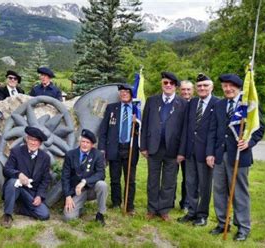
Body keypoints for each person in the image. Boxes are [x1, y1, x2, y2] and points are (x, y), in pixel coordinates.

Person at [206, 73, 265, 241]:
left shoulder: (247, 104)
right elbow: (213, 130)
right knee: (219, 191)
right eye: (224, 86)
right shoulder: (219, 104)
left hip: (239, 155)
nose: (227, 89)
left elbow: (259, 128)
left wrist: (249, 142)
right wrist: (210, 153)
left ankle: (243, 227)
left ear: (238, 87)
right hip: (219, 155)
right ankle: (222, 223)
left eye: (231, 86)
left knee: (239, 192)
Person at [140, 72, 188, 221]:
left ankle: (164, 210)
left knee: (169, 182)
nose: (168, 85)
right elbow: (145, 124)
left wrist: (182, 151)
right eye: (165, 82)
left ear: (175, 86)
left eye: (171, 83)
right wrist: (143, 147)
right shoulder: (152, 101)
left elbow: (185, 130)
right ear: (162, 84)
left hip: (172, 150)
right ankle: (152, 209)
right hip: (153, 148)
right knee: (152, 181)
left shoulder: (183, 104)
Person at [178, 74, 219, 226]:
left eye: (205, 85)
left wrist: (211, 153)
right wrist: (182, 151)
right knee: (190, 183)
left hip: (206, 153)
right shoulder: (193, 103)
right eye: (199, 86)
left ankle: (202, 215)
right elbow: (186, 129)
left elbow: (217, 131)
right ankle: (192, 212)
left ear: (211, 87)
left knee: (204, 186)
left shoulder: (218, 103)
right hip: (190, 151)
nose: (202, 88)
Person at [98, 84, 139, 214]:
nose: (124, 94)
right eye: (122, 92)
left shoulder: (136, 109)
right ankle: (116, 202)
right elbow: (103, 129)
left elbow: (143, 129)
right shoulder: (111, 108)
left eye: (127, 92)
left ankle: (129, 205)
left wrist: (136, 123)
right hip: (114, 147)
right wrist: (102, 148)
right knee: (115, 178)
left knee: (130, 179)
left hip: (130, 148)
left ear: (131, 94)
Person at [1, 127, 51, 228]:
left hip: (31, 193)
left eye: (36, 141)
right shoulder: (16, 151)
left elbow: (45, 180)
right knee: (12, 182)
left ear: (40, 143)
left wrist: (39, 196)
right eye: (31, 139)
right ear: (26, 139)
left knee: (44, 215)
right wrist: (18, 174)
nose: (33, 143)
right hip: (16, 189)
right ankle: (7, 215)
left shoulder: (45, 157)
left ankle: (18, 208)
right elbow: (6, 170)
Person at [62, 129, 108, 225]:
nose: (85, 144)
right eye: (83, 141)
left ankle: (100, 214)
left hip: (92, 188)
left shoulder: (98, 155)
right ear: (79, 142)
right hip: (77, 191)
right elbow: (65, 177)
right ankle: (79, 208)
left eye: (88, 142)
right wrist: (67, 196)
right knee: (68, 218)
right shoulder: (70, 155)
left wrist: (84, 181)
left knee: (102, 185)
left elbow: (101, 174)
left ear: (92, 145)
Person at [175, 79, 194, 210]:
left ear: (193, 91)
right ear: (179, 90)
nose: (186, 92)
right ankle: (169, 201)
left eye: (188, 89)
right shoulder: (174, 103)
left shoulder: (195, 104)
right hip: (173, 146)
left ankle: (185, 204)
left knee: (188, 177)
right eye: (183, 89)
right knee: (170, 177)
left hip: (189, 147)